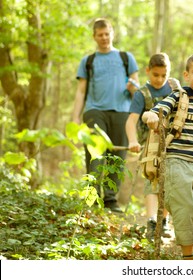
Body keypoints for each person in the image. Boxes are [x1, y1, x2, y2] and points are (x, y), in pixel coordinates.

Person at [142, 53, 193, 260]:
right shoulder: (178, 96)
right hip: (177, 161)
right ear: (186, 75)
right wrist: (150, 117)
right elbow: (157, 111)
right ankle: (188, 256)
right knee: (185, 207)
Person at [72, 18, 139, 213]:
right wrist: (75, 117)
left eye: (107, 34)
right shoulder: (88, 61)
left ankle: (110, 200)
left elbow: (137, 89)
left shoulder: (126, 58)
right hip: (94, 111)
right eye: (100, 35)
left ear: (112, 33)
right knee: (95, 154)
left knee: (117, 156)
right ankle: (91, 198)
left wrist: (132, 87)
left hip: (122, 112)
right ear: (94, 37)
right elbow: (80, 91)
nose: (104, 38)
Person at [125, 52, 174, 241]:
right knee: (152, 181)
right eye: (156, 75)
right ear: (148, 71)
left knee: (169, 183)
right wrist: (132, 140)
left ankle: (164, 221)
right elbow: (131, 121)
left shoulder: (174, 90)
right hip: (149, 146)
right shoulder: (142, 94)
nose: (160, 79)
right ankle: (152, 221)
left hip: (172, 144)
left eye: (164, 75)